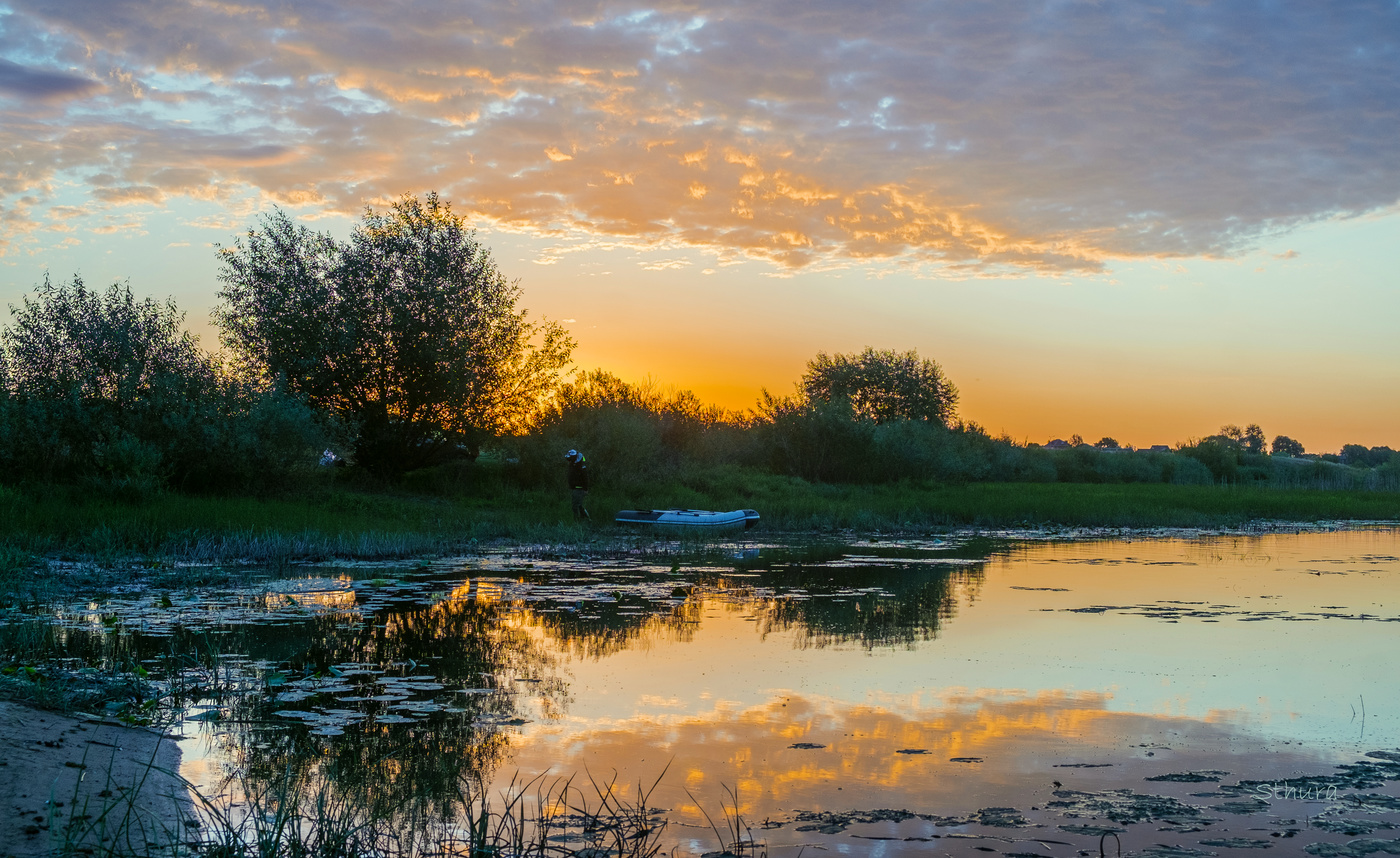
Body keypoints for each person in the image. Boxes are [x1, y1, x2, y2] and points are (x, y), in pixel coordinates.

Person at [564, 448, 590, 520]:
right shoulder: (573, 464)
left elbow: (585, 478)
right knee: (579, 505)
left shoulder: (580, 466)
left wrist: (585, 489)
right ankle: (585, 519)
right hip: (575, 488)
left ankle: (578, 520)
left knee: (576, 505)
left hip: (579, 488)